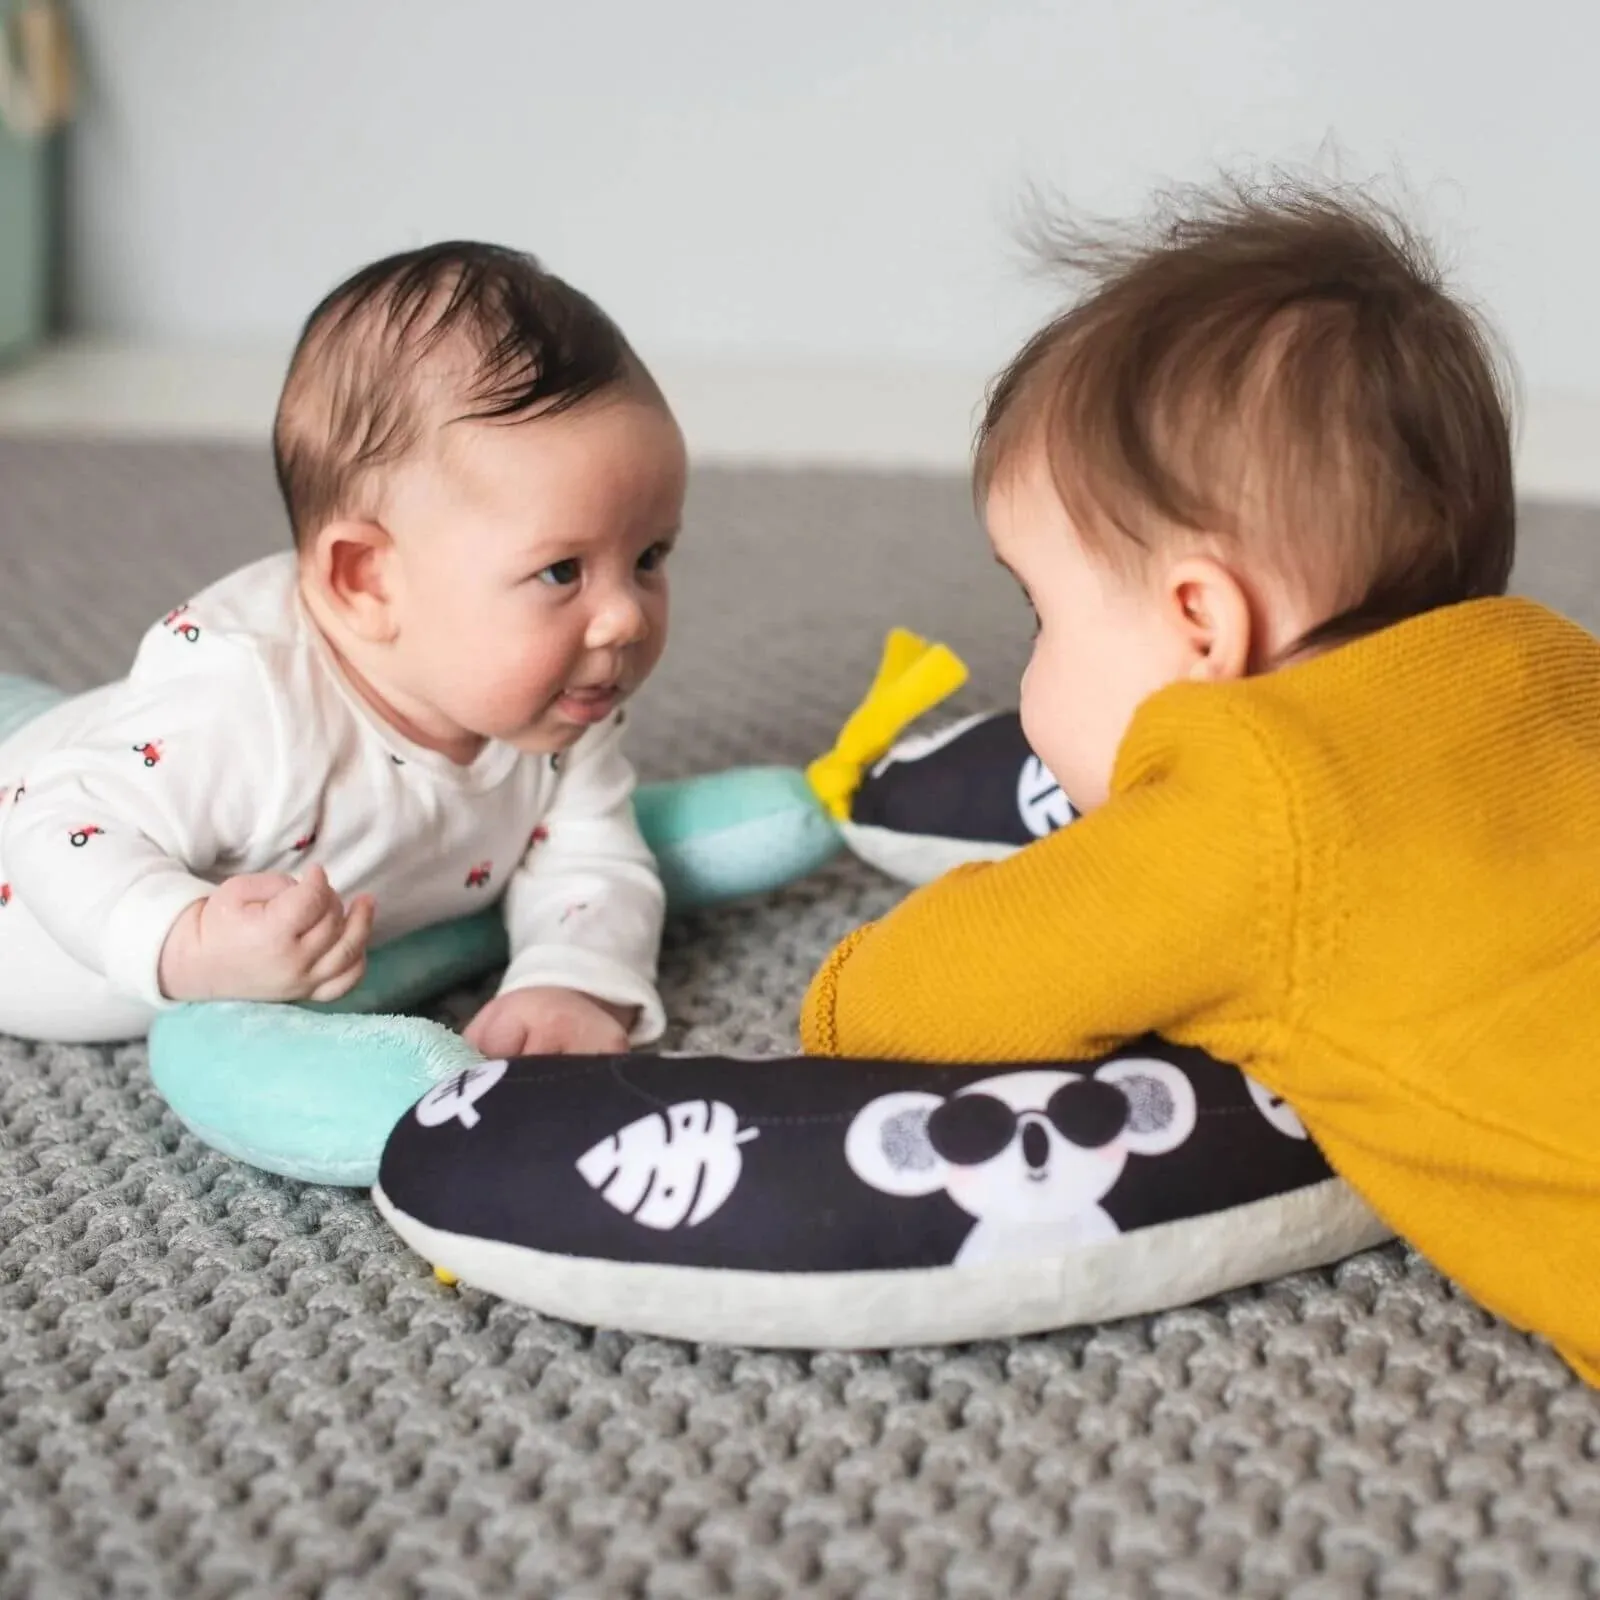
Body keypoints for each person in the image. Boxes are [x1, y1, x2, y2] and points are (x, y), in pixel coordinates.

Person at [800, 179, 1600, 1384]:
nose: (1032, 662)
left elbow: (937, 988)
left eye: (1040, 613)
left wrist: (840, 990)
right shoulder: (1546, 661)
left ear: (1199, 624)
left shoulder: (1250, 802)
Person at [0, 242, 684, 1060]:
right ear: (368, 580)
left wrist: (569, 979)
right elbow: (59, 823)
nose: (624, 620)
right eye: (561, 571)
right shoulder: (247, 703)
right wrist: (185, 939)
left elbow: (591, 857)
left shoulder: (563, 706)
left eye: (649, 558)